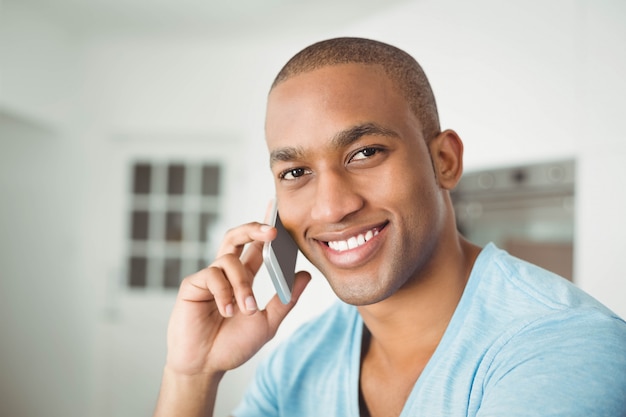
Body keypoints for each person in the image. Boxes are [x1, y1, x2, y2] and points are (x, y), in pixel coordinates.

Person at [153, 37, 626, 417]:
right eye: (296, 173)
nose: (333, 207)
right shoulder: (302, 360)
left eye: (365, 153)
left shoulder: (566, 348)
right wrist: (192, 376)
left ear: (444, 161)